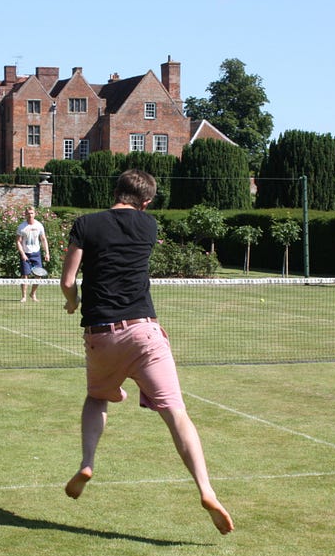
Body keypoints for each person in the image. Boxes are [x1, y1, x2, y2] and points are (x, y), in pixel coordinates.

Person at [59, 169, 234, 535]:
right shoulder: (149, 226)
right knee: (177, 414)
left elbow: (68, 281)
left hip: (102, 335)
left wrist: (73, 302)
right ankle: (206, 489)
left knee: (96, 399)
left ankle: (88, 462)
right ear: (147, 202)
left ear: (116, 191)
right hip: (145, 331)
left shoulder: (86, 224)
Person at [16, 205, 50, 302]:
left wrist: (47, 253)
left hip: (36, 254)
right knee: (25, 276)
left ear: (34, 214)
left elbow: (43, 239)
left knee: (38, 275)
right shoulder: (21, 227)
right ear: (25, 214)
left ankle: (33, 294)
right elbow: (18, 241)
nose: (30, 215)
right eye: (28, 213)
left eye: (32, 213)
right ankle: (24, 296)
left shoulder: (39, 225)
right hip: (25, 253)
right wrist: (22, 254)